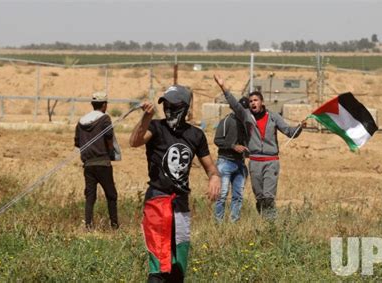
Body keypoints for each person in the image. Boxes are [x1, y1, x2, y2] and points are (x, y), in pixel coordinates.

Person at [129, 85, 220, 282]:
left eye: (174, 105)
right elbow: (134, 141)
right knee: (159, 262)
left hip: (180, 202)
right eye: (166, 104)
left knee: (178, 263)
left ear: (185, 107)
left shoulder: (196, 135)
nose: (169, 109)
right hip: (157, 200)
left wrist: (214, 177)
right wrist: (146, 117)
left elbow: (210, 167)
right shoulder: (155, 127)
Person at [214, 75, 306, 220]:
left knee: (269, 197)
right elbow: (234, 104)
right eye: (250, 101)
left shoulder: (274, 117)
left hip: (271, 161)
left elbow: (289, 132)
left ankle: (272, 225)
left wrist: (300, 127)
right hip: (255, 162)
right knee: (260, 198)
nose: (252, 103)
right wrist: (223, 87)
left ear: (262, 102)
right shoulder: (246, 116)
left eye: (255, 100)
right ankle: (266, 220)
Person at [74, 91, 119, 230]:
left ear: (93, 104)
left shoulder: (81, 121)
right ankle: (114, 226)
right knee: (111, 195)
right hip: (103, 163)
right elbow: (109, 138)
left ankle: (88, 225)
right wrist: (111, 154)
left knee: (90, 196)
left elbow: (77, 142)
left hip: (88, 164)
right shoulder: (105, 119)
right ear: (104, 105)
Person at [213, 97, 250, 223]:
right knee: (222, 196)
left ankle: (234, 223)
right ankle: (219, 224)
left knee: (238, 196)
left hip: (240, 164)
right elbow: (217, 140)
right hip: (225, 162)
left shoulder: (247, 123)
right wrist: (234, 146)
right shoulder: (226, 121)